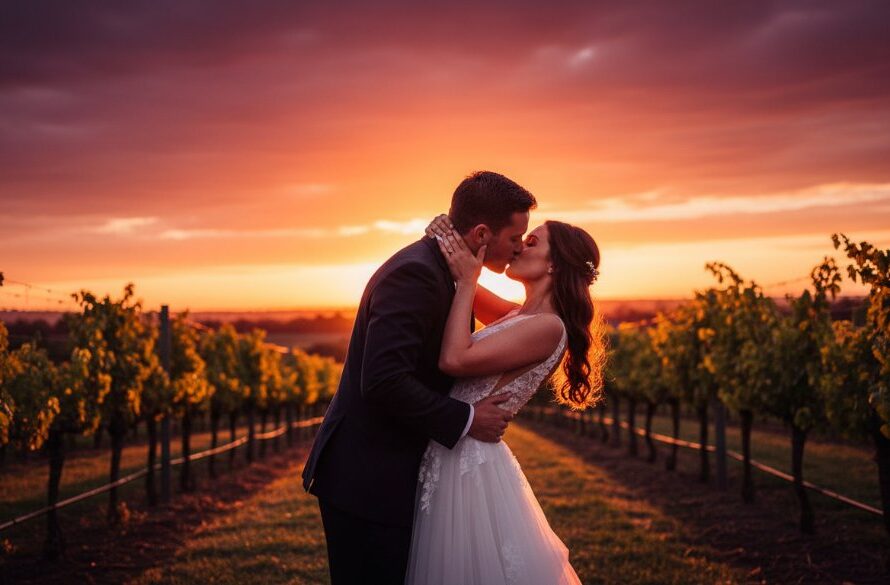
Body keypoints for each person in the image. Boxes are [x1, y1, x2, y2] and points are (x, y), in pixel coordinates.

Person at [301, 171, 538, 584]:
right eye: (515, 237)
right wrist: (467, 419)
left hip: (394, 471)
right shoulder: (416, 275)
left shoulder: (448, 270)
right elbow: (383, 379)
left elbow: (517, 321)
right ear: (482, 233)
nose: (518, 248)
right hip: (368, 477)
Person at [405, 213, 606, 585]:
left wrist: (467, 279)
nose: (519, 246)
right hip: (453, 449)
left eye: (532, 242)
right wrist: (445, 237)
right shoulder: (519, 315)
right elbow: (458, 271)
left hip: (466, 463)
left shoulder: (548, 327)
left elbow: (454, 358)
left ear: (554, 264)